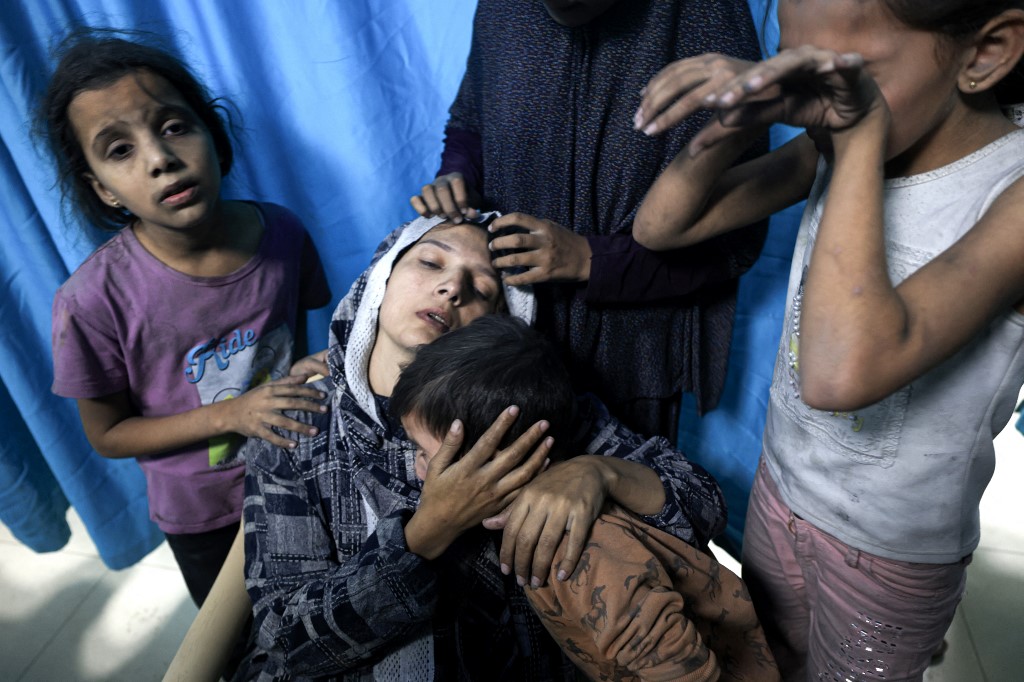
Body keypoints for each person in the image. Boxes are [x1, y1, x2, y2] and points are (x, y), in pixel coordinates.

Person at [631, 0, 1024, 678]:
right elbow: (661, 228)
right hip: (781, 490)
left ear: (986, 53)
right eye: (792, 63)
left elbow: (840, 376)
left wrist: (862, 135)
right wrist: (739, 116)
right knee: (767, 661)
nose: (815, 93)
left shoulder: (1007, 195)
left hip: (891, 553)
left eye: (846, 73)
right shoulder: (834, 141)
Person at [237, 213, 728, 681]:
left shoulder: (535, 414)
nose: (453, 288)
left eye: (484, 289)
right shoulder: (300, 426)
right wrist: (430, 530)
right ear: (378, 280)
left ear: (499, 326)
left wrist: (598, 473)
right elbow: (286, 641)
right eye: (430, 262)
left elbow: (703, 503)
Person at [43, 31, 332, 608]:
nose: (159, 159)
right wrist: (235, 412)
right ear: (103, 189)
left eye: (174, 126)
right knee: (244, 644)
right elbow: (107, 435)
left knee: (320, 613)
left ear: (212, 135)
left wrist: (309, 379)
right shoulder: (92, 301)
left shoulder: (282, 233)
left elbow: (290, 355)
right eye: (119, 149)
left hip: (298, 474)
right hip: (204, 517)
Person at [409, 0, 769, 439]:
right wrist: (457, 173)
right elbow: (471, 119)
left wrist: (590, 260)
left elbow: (733, 242)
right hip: (497, 332)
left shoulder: (705, 13)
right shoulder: (500, 9)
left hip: (630, 351)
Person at [390, 313, 780, 682]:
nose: (418, 466)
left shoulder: (577, 551)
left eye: (427, 453)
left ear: (505, 462)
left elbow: (683, 669)